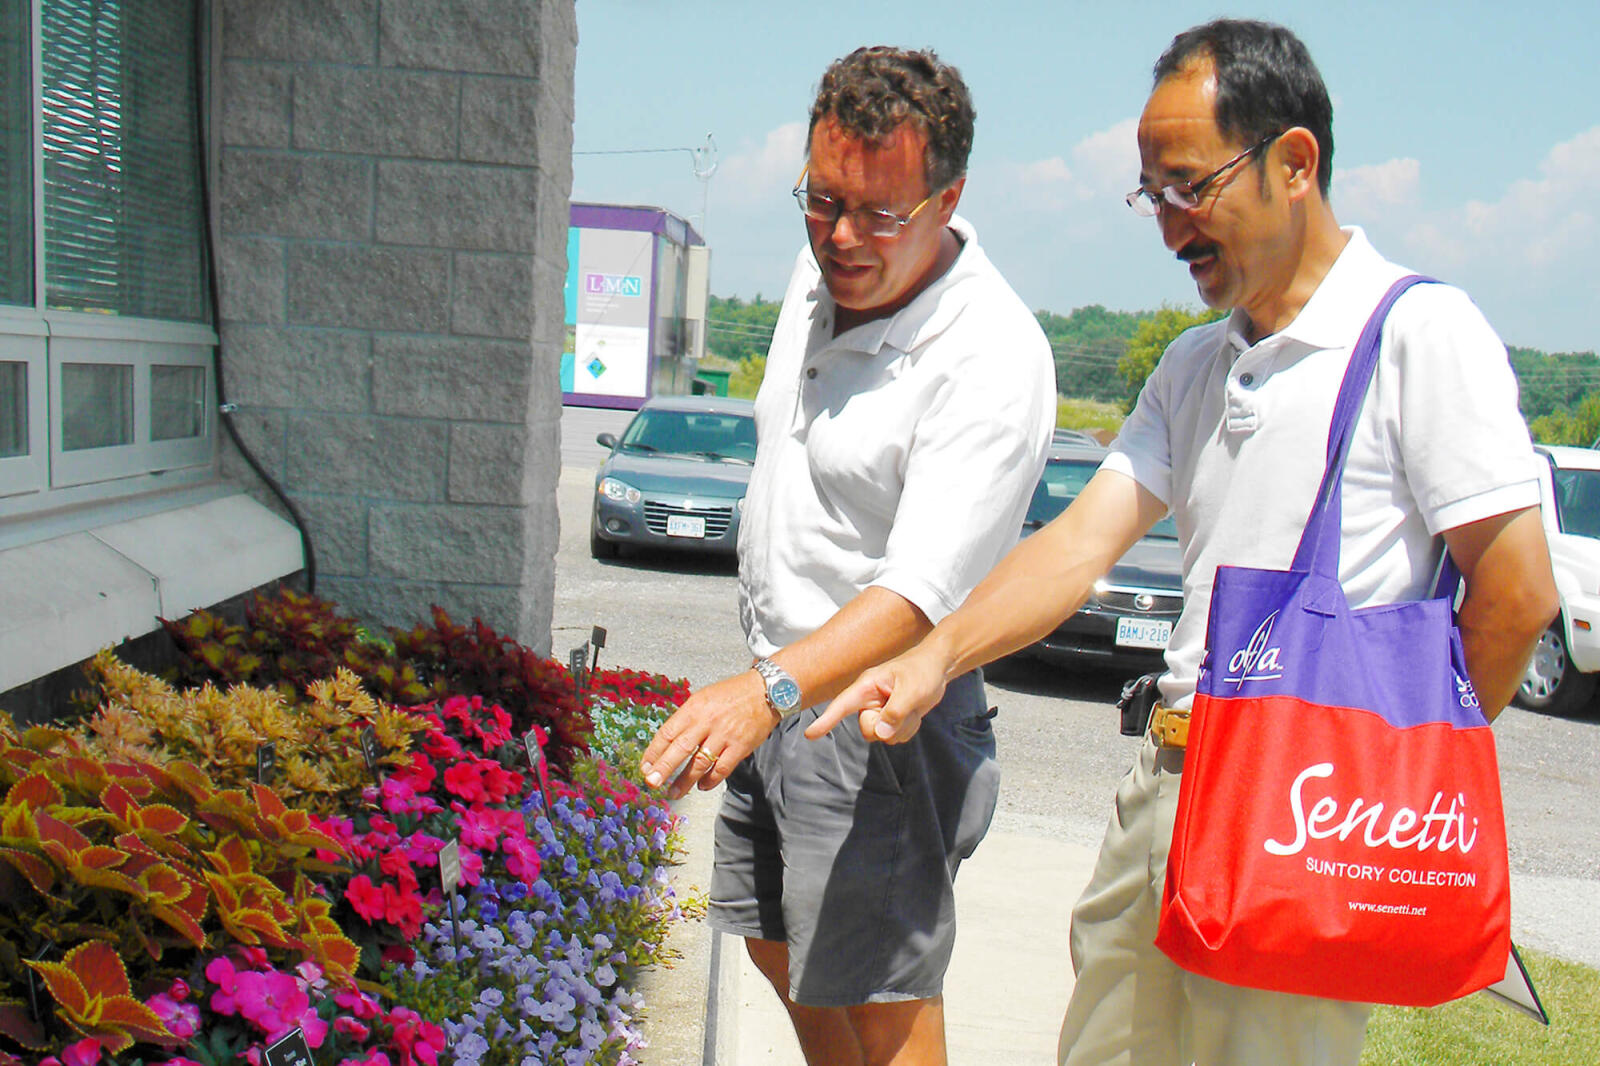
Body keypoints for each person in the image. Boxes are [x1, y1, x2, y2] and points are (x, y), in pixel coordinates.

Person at [814, 19, 1558, 1066]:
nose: (1168, 226)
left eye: (1188, 187)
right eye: (1150, 194)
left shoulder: (1418, 337)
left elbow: (1516, 595)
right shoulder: (1198, 367)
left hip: (1297, 817)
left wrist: (1389, 773)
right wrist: (934, 656)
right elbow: (1077, 544)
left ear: (1292, 162)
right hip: (1163, 801)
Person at [637, 45, 1055, 1066]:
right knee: (781, 950)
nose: (840, 236)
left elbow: (920, 594)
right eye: (820, 201)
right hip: (781, 683)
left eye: (878, 213)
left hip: (876, 720)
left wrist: (762, 693)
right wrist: (768, 690)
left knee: (881, 992)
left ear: (947, 195)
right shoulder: (822, 263)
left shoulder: (990, 356)